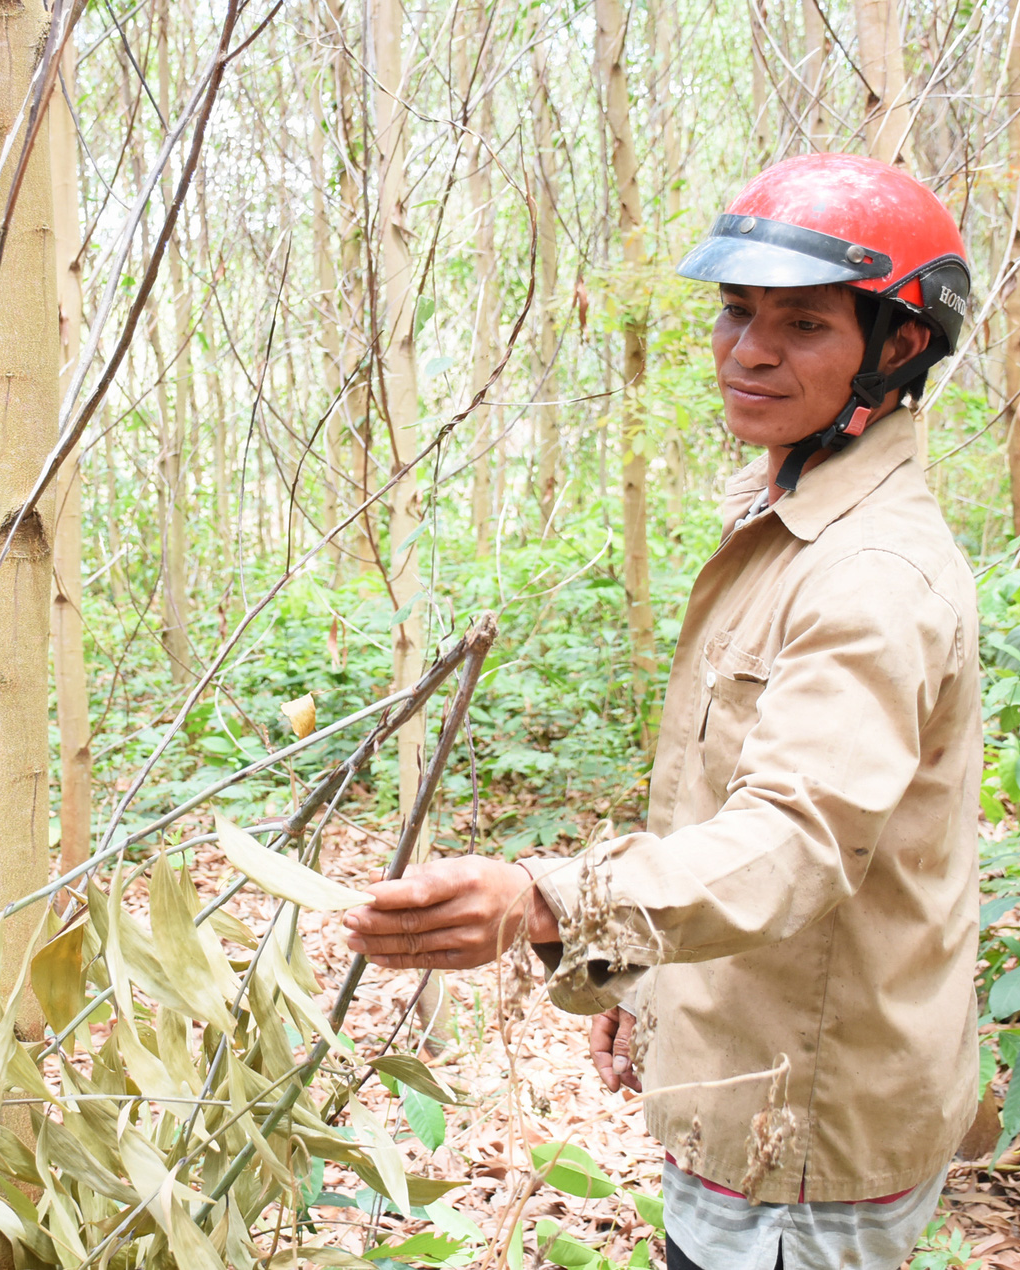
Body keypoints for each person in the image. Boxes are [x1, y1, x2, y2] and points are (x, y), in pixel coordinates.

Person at [339, 153, 983, 1270]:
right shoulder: (783, 507)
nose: (749, 350)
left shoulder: (868, 572)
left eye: (803, 325)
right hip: (746, 1064)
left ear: (898, 345)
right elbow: (719, 804)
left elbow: (792, 840)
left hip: (806, 1124)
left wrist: (547, 899)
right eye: (736, 312)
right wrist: (637, 981)